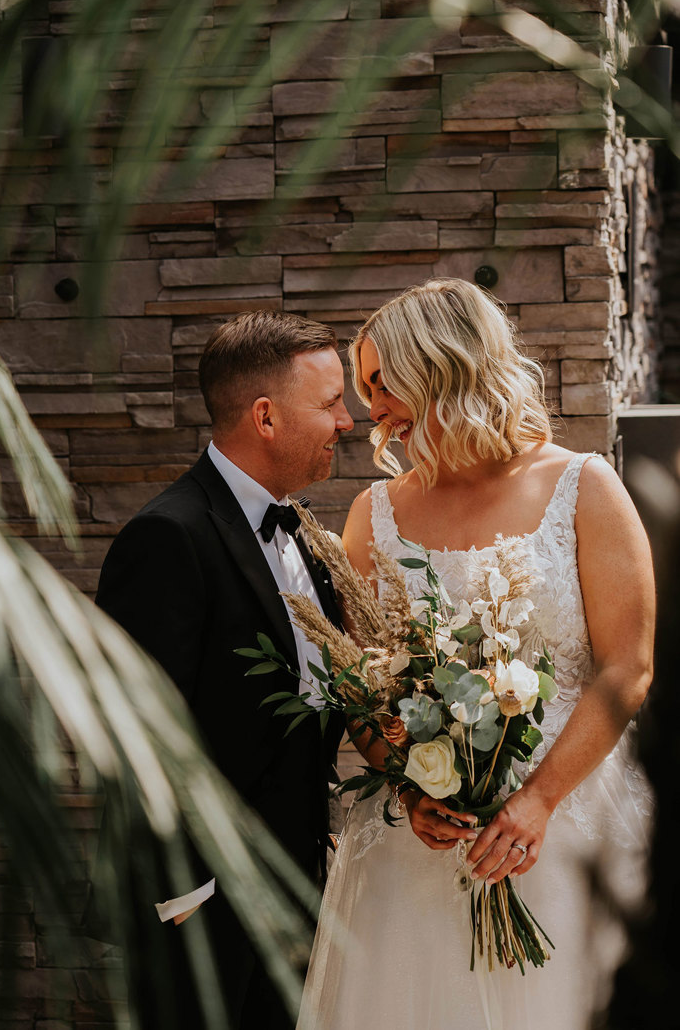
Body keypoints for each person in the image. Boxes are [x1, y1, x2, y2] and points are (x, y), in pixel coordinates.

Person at [298, 278, 654, 1030]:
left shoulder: (585, 486)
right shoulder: (376, 510)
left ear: (438, 364)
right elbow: (362, 682)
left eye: (379, 380)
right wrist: (407, 787)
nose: (370, 408)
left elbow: (628, 667)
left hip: (564, 826)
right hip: (414, 853)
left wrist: (537, 801)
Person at [94, 309, 354, 1029]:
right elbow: (133, 732)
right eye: (330, 402)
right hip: (203, 907)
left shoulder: (300, 530)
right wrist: (181, 893)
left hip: (298, 889)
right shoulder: (166, 537)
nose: (347, 422)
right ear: (265, 417)